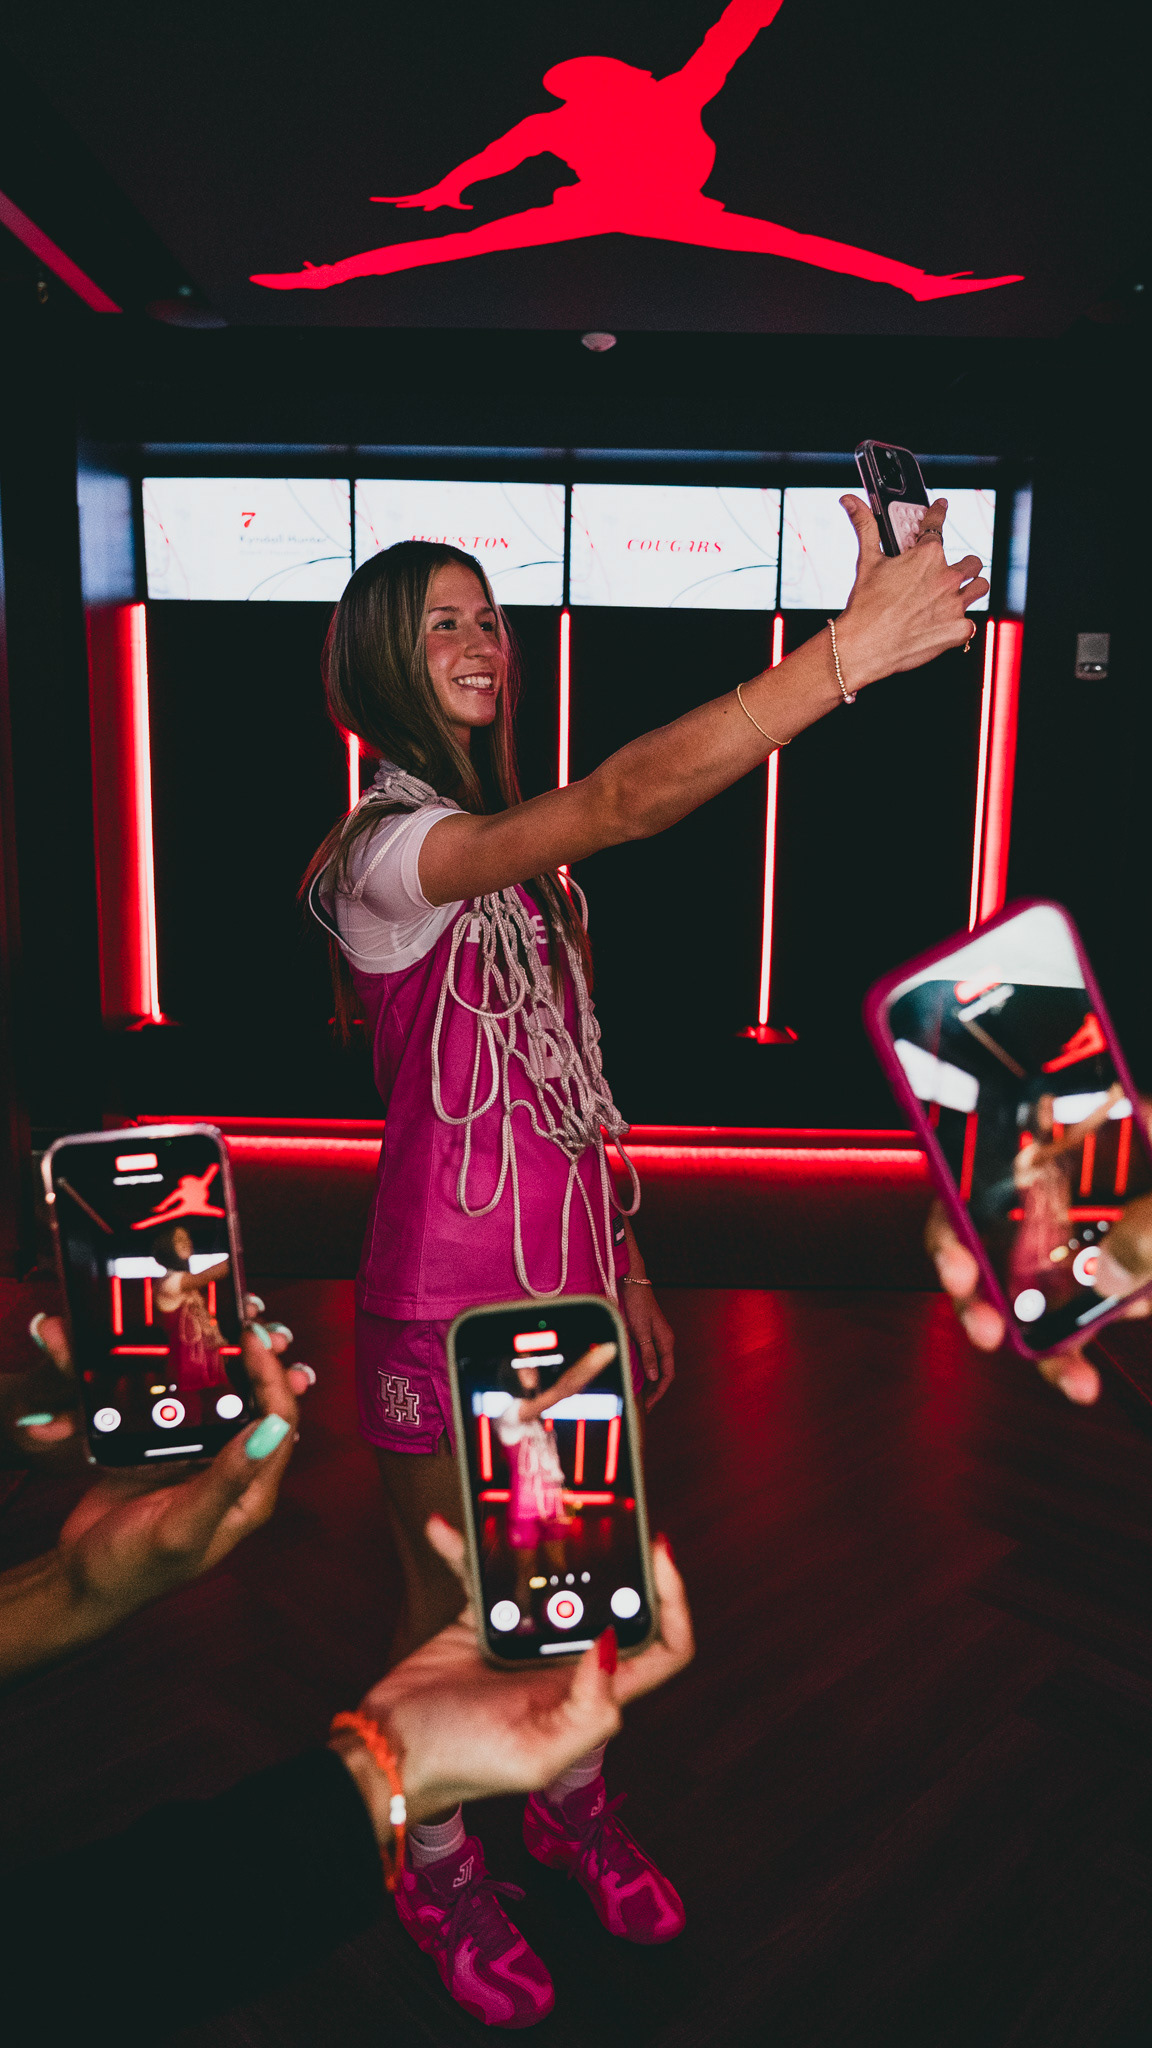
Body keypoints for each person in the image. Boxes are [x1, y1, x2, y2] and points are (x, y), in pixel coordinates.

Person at [302, 497, 983, 2020]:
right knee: (448, 1610)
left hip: (567, 1289)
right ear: (377, 664)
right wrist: (839, 659)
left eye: (487, 617)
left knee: (578, 1586)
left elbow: (570, 1086)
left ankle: (571, 1807)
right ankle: (434, 1862)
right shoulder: (387, 854)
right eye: (440, 624)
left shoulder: (533, 878)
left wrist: (628, 1259)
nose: (480, 643)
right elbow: (618, 799)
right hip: (438, 1304)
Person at [0, 1319, 694, 2041]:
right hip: (434, 1284)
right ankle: (435, 1871)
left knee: (590, 1567)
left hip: (581, 1263)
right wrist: (384, 1777)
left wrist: (74, 1589)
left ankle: (567, 1813)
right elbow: (58, 1970)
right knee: (462, 1595)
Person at [252, 0, 1022, 304]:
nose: (579, 91)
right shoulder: (563, 121)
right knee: (458, 244)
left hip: (669, 207)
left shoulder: (669, 95)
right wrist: (445, 189)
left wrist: (450, 188)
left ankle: (915, 282)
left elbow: (731, 33)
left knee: (791, 242)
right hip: (600, 206)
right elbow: (493, 159)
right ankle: (328, 275)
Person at [495, 1339, 615, 1629]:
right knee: (525, 1570)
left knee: (559, 1569)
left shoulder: (538, 1420)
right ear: (510, 1373)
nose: (530, 1367)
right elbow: (562, 1390)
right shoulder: (510, 1413)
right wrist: (601, 1355)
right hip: (524, 1508)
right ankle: (524, 1624)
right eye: (522, 1364)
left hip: (552, 1504)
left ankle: (559, 1618)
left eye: (532, 1362)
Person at [151, 1222, 231, 1391]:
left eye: (187, 1238)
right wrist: (237, 1254)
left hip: (206, 1362)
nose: (187, 1242)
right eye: (179, 1240)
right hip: (187, 1367)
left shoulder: (187, 1285)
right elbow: (212, 1274)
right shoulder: (168, 1283)